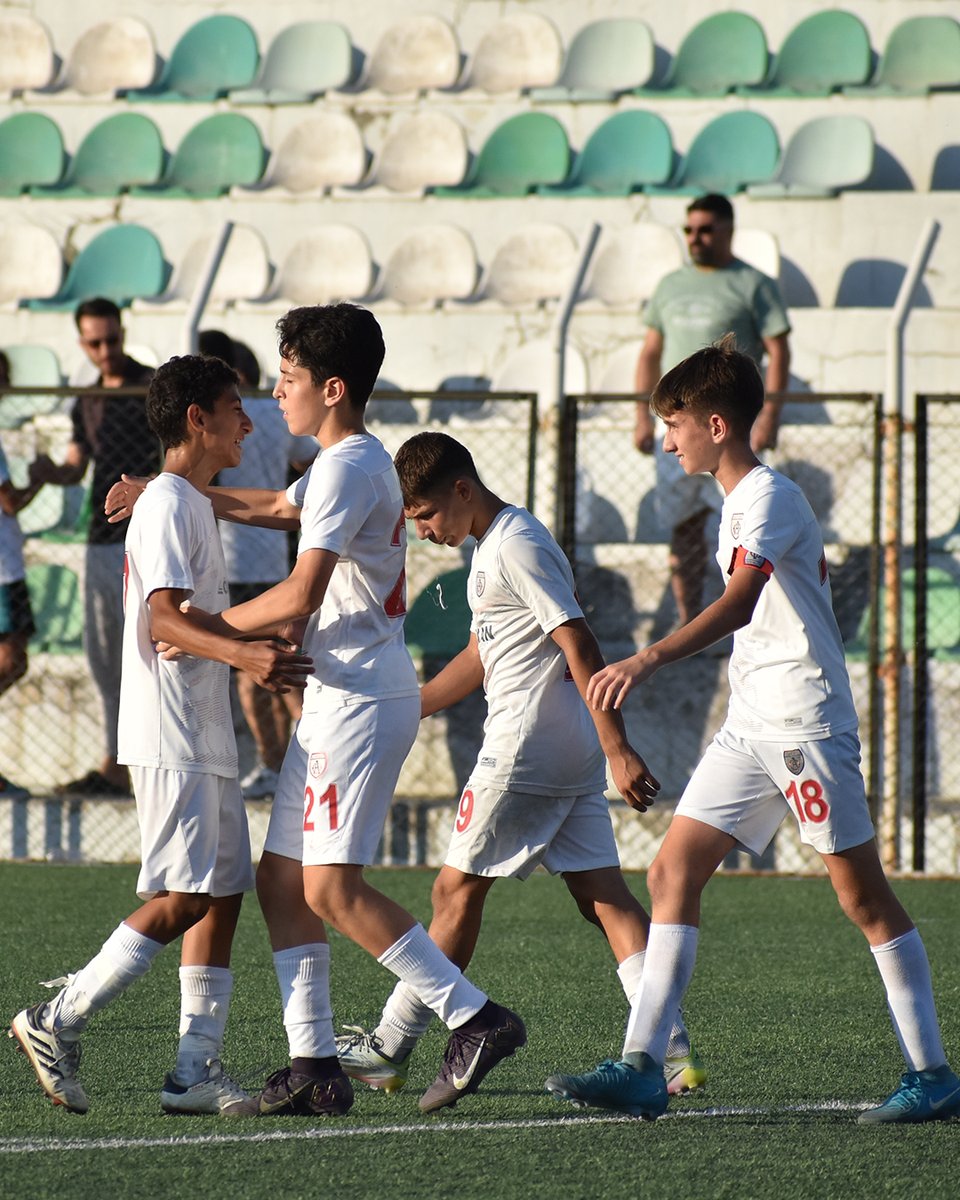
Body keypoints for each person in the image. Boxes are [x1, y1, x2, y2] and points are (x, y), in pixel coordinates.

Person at [115, 304, 527, 1117]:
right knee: (280, 880)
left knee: (330, 888)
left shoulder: (346, 469)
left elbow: (301, 592)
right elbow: (275, 507)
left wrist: (205, 632)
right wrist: (168, 487)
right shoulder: (348, 462)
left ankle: (474, 1017)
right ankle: (314, 1062)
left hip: (358, 698)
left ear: (332, 387)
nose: (276, 393)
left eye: (291, 378)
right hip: (344, 693)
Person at [545, 336, 960, 1125]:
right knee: (671, 872)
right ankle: (641, 1064)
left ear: (716, 424)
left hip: (804, 721)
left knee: (863, 898)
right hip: (753, 723)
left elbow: (740, 600)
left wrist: (650, 657)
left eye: (673, 424)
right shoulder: (736, 500)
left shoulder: (767, 497)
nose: (666, 440)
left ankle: (933, 1073)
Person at [335, 431, 706, 1098]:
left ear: (462, 489)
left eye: (424, 515)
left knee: (454, 892)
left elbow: (577, 640)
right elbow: (487, 652)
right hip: (566, 750)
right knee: (605, 899)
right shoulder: (496, 546)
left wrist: (620, 746)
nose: (421, 533)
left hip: (524, 748)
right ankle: (669, 1049)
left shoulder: (516, 543)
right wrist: (412, 706)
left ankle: (389, 1045)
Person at [10, 355, 312, 1116]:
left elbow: (184, 617)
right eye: (233, 407)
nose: (249, 420)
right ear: (196, 420)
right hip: (173, 727)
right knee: (184, 897)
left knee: (223, 894)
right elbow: (163, 620)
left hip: (199, 725)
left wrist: (242, 646)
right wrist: (245, 650)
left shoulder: (183, 499)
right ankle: (57, 1017)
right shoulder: (176, 505)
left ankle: (192, 1068)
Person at [635, 193, 791, 628]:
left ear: (727, 230)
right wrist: (640, 417)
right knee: (683, 525)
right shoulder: (669, 285)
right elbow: (650, 352)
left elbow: (779, 351)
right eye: (689, 230)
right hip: (684, 427)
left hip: (729, 427)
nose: (696, 238)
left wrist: (770, 417)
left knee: (743, 516)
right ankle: (690, 619)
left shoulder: (754, 283)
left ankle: (740, 621)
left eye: (706, 229)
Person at [30, 298, 160, 796]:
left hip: (146, 537)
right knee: (105, 657)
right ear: (82, 343)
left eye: (112, 339)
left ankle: (137, 758)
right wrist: (45, 473)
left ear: (123, 333)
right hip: (101, 538)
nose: (106, 350)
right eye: (95, 342)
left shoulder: (150, 386)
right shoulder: (86, 397)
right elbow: (75, 466)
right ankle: (116, 759)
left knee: (147, 651)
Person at [200, 331, 315, 799]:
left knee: (256, 677)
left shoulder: (222, 423)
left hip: (234, 562)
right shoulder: (270, 417)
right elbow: (306, 461)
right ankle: (303, 761)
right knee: (285, 672)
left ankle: (276, 764)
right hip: (271, 560)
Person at [0, 351, 43, 801]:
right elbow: (9, 501)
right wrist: (42, 478)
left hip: (7, 566)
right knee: (12, 660)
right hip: (3, 570)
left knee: (15, 661)